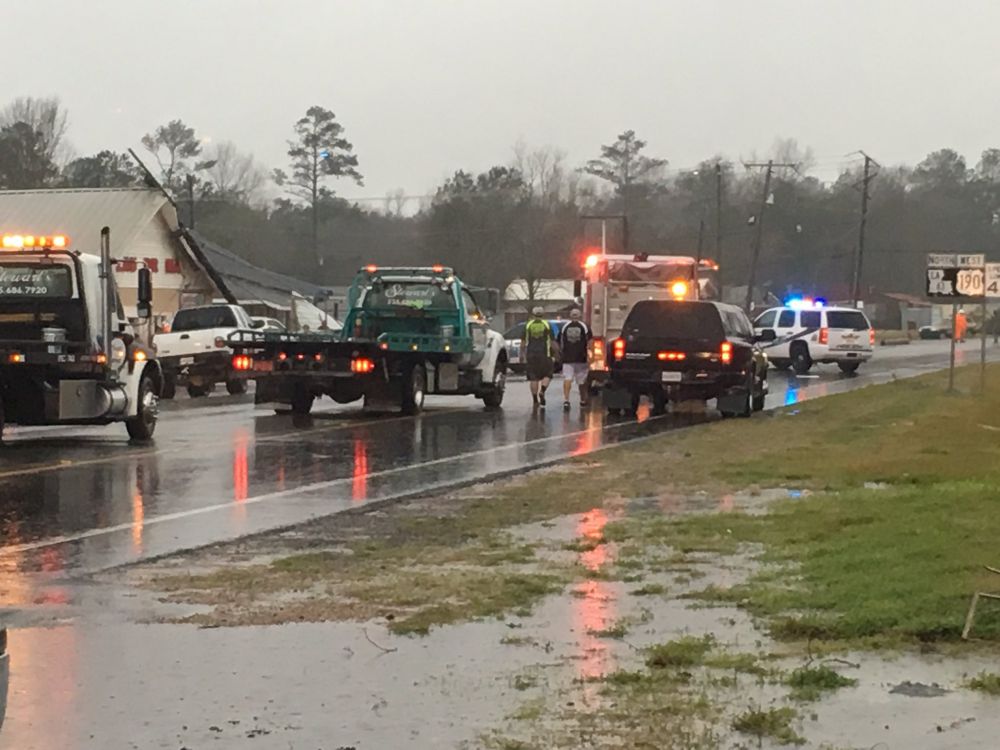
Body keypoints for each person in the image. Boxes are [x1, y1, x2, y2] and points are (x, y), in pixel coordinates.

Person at [559, 308, 592, 410]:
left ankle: (566, 400)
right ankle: (582, 400)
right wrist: (590, 354)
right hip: (581, 358)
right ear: (580, 316)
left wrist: (560, 353)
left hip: (567, 357)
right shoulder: (585, 327)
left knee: (567, 378)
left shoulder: (564, 327)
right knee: (581, 380)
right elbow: (590, 342)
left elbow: (559, 341)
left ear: (570, 316)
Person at [522, 306, 555, 407]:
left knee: (534, 378)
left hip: (531, 354)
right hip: (545, 354)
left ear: (533, 314)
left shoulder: (528, 325)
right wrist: (555, 353)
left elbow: (523, 342)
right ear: (543, 314)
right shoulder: (547, 325)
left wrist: (522, 355)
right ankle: (543, 391)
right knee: (548, 375)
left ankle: (535, 399)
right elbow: (552, 341)